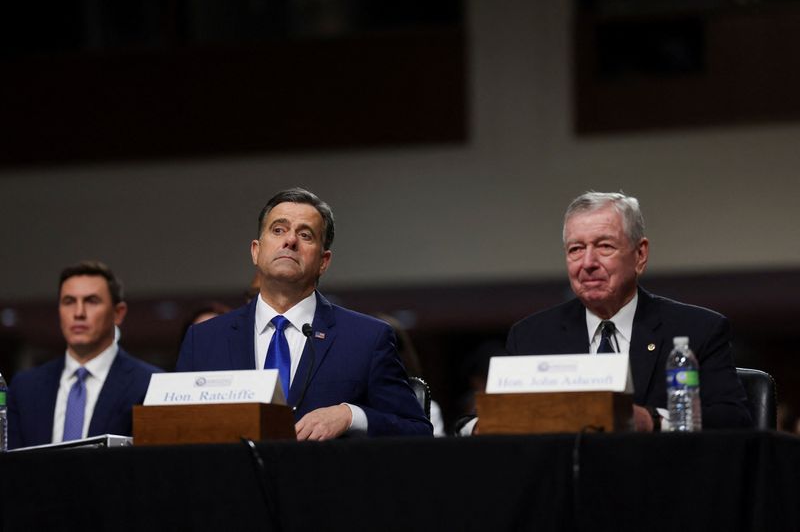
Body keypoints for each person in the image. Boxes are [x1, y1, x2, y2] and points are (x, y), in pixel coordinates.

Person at [463, 191, 751, 434]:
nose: (587, 262)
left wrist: (653, 420)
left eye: (604, 246)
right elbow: (485, 422)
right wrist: (481, 427)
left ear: (640, 255)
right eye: (576, 249)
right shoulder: (531, 336)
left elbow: (733, 421)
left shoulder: (698, 329)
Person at [176, 188, 432, 440]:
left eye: (306, 235)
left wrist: (351, 416)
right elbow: (173, 429)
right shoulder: (205, 339)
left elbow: (416, 430)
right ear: (256, 250)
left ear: (324, 261)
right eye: (278, 230)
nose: (290, 240)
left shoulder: (367, 338)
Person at [7, 261, 162, 449]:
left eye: (91, 301)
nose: (78, 313)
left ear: (118, 313)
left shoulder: (150, 385)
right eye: (69, 302)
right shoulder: (25, 387)